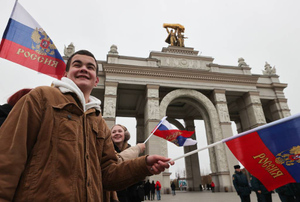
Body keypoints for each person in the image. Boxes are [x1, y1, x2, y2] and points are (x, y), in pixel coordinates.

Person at [0, 50, 173, 201]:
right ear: (66, 74)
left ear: (96, 80)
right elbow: (9, 158)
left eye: (90, 67)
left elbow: (107, 174)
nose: (84, 68)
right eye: (77, 64)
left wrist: (143, 165)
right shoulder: (41, 97)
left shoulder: (98, 121)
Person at [111, 124, 146, 202]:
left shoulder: (132, 152)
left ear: (125, 135)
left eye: (120, 131)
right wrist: (137, 149)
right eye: (113, 132)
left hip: (131, 196)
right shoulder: (107, 150)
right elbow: (117, 162)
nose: (117, 133)